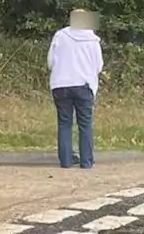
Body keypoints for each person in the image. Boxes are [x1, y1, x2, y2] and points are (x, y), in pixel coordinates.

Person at [48, 9, 104, 169]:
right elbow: (99, 65)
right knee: (84, 124)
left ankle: (65, 161)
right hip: (83, 85)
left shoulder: (59, 35)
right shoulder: (92, 40)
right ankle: (86, 161)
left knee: (64, 123)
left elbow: (50, 62)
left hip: (61, 84)